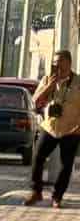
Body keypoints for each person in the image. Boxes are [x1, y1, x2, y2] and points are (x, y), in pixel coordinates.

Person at [28, 49, 80, 209]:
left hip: (72, 129)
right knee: (38, 157)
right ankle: (36, 191)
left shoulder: (78, 81)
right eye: (55, 62)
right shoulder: (48, 79)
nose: (57, 65)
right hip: (50, 126)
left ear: (68, 62)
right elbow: (35, 102)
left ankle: (57, 196)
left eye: (60, 62)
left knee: (66, 165)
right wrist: (49, 85)